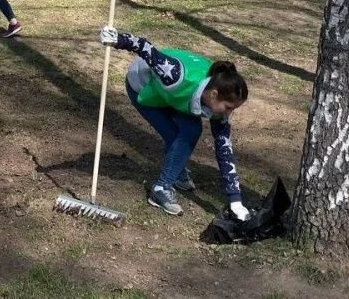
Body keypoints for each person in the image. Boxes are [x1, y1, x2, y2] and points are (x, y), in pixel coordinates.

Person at [99, 25, 249, 218]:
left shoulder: (216, 106)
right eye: (229, 107)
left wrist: (235, 201)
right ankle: (161, 189)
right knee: (182, 132)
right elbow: (145, 48)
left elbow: (224, 151)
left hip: (178, 97)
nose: (230, 113)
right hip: (145, 88)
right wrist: (117, 38)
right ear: (214, 94)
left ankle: (175, 171)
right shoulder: (174, 75)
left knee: (186, 132)